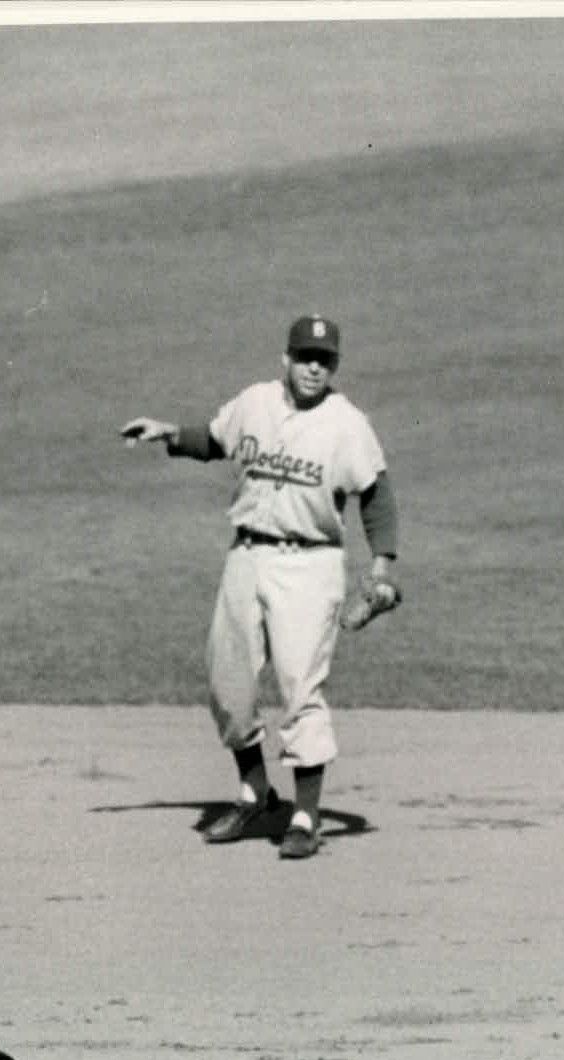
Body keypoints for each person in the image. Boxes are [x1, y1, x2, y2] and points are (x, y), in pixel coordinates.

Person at [120, 314, 400, 860]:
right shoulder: (255, 402)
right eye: (305, 358)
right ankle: (256, 795)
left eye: (325, 361)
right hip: (246, 556)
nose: (314, 368)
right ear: (286, 361)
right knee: (228, 683)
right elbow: (218, 439)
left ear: (334, 367)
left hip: (310, 564)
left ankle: (305, 815)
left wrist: (383, 568)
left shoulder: (348, 424)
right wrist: (171, 435)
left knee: (300, 688)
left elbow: (377, 496)